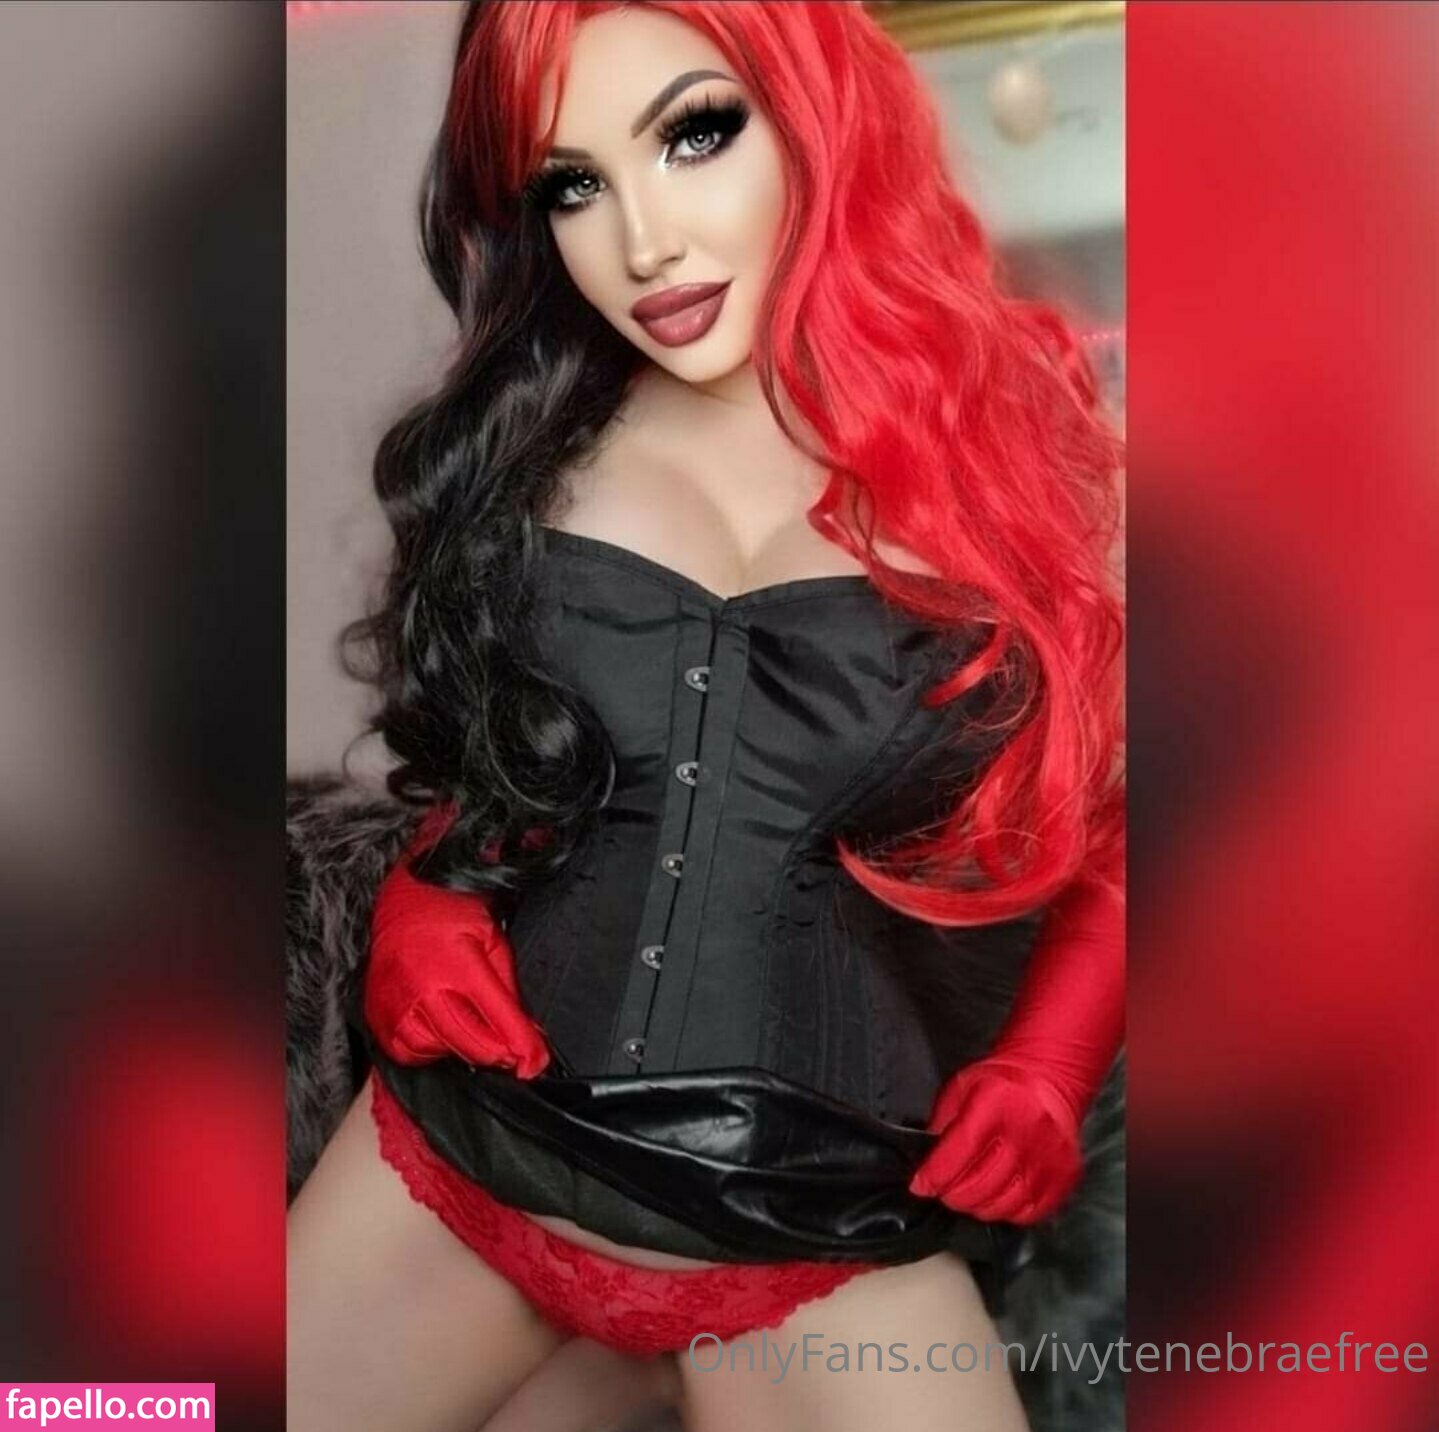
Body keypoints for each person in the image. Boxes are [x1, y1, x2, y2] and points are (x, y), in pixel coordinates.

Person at [286, 4, 1125, 1430]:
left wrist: (1054, 1055)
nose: (643, 245)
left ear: (814, 110)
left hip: (818, 1242)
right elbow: (513, 760)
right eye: (573, 183)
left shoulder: (1026, 464)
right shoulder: (539, 433)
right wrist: (431, 896)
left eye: (692, 134)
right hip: (464, 1162)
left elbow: (1110, 819)